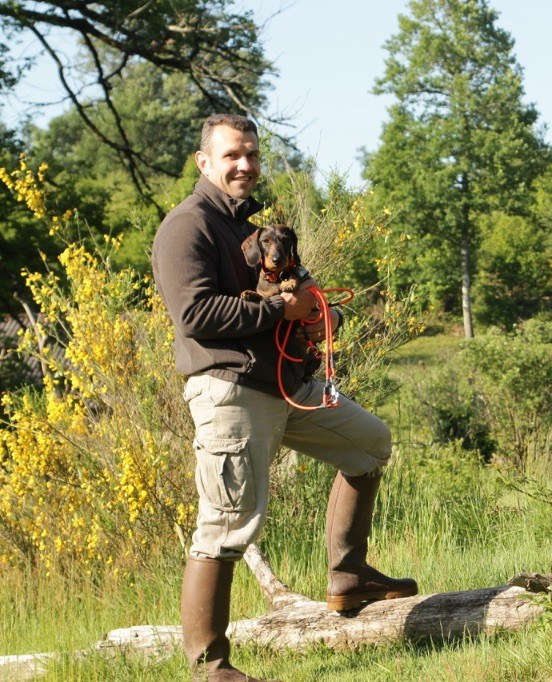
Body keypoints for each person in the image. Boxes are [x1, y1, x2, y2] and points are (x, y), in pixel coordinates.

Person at [152, 114, 417, 682]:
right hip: (231, 391)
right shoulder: (186, 226)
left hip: (291, 387)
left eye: (250, 154)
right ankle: (211, 667)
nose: (243, 164)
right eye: (231, 156)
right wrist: (279, 309)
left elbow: (305, 297)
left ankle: (349, 578)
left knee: (369, 445)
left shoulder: (261, 230)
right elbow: (194, 315)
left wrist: (322, 317)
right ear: (205, 163)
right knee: (225, 525)